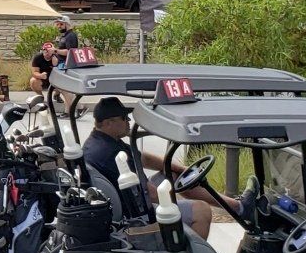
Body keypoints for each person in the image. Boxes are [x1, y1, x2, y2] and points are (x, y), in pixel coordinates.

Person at [81, 97, 237, 238]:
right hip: (135, 214)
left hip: (127, 200)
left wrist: (182, 169)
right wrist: (173, 205)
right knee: (201, 211)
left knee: (172, 175)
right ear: (108, 122)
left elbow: (143, 158)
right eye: (124, 118)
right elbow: (151, 194)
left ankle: (235, 206)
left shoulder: (100, 141)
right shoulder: (110, 153)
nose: (128, 121)